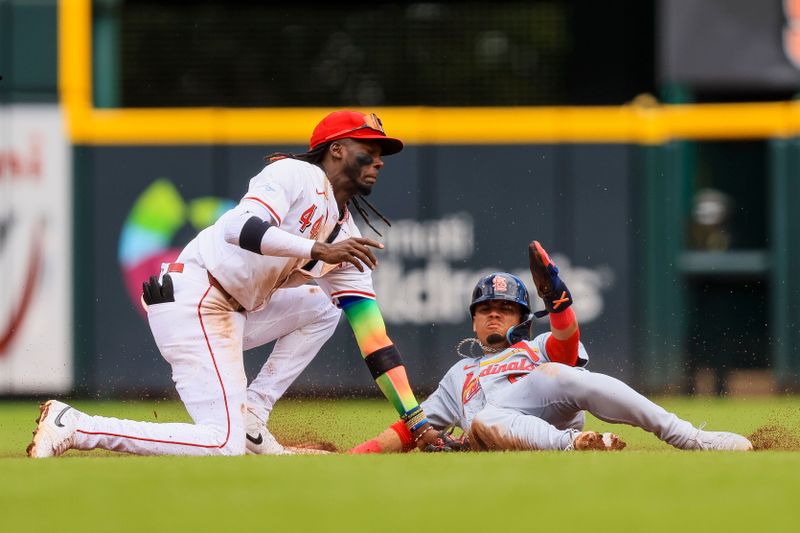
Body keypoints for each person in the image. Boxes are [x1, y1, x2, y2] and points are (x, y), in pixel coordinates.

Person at [27, 110, 441, 458]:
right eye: (369, 149)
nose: (379, 160)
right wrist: (316, 251)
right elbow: (237, 226)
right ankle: (77, 426)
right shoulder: (295, 173)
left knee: (323, 307)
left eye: (382, 153)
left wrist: (415, 419)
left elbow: (375, 341)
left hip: (234, 309)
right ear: (336, 149)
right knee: (221, 444)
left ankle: (253, 415)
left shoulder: (342, 234)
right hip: (196, 299)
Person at [351, 240, 754, 453]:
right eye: (486, 309)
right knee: (483, 422)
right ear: (473, 320)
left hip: (552, 407)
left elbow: (566, 342)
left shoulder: (538, 345)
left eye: (506, 309)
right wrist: (357, 455)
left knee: (561, 372)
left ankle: (687, 437)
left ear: (523, 317)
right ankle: (580, 446)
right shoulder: (459, 375)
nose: (494, 315)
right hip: (498, 432)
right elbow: (407, 431)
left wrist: (558, 302)